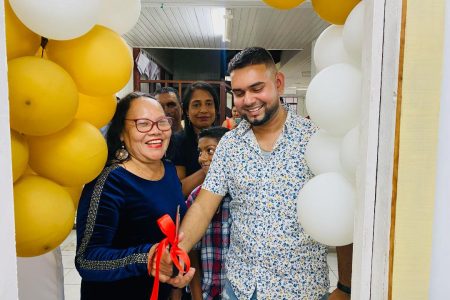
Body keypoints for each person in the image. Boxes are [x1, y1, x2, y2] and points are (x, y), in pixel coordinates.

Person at [154, 47, 352, 299]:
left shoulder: (315, 140)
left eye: (257, 88)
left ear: (278, 83)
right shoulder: (229, 145)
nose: (248, 100)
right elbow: (204, 207)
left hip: (302, 289)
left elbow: (342, 212)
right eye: (239, 93)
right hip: (240, 287)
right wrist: (177, 248)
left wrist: (345, 286)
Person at [75, 92, 193, 300]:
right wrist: (147, 258)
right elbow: (87, 259)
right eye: (143, 124)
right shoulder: (109, 181)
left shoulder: (169, 170)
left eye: (161, 122)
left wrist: (174, 275)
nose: (155, 131)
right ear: (121, 132)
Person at [185, 127, 231, 300]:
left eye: (210, 151)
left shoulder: (241, 196)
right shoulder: (196, 197)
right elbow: (192, 254)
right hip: (208, 293)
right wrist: (197, 296)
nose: (202, 158)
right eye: (200, 152)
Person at [169, 82, 219, 197]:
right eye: (196, 105)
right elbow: (179, 189)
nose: (203, 110)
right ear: (186, 111)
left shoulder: (226, 139)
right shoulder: (177, 142)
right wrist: (210, 165)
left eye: (209, 104)